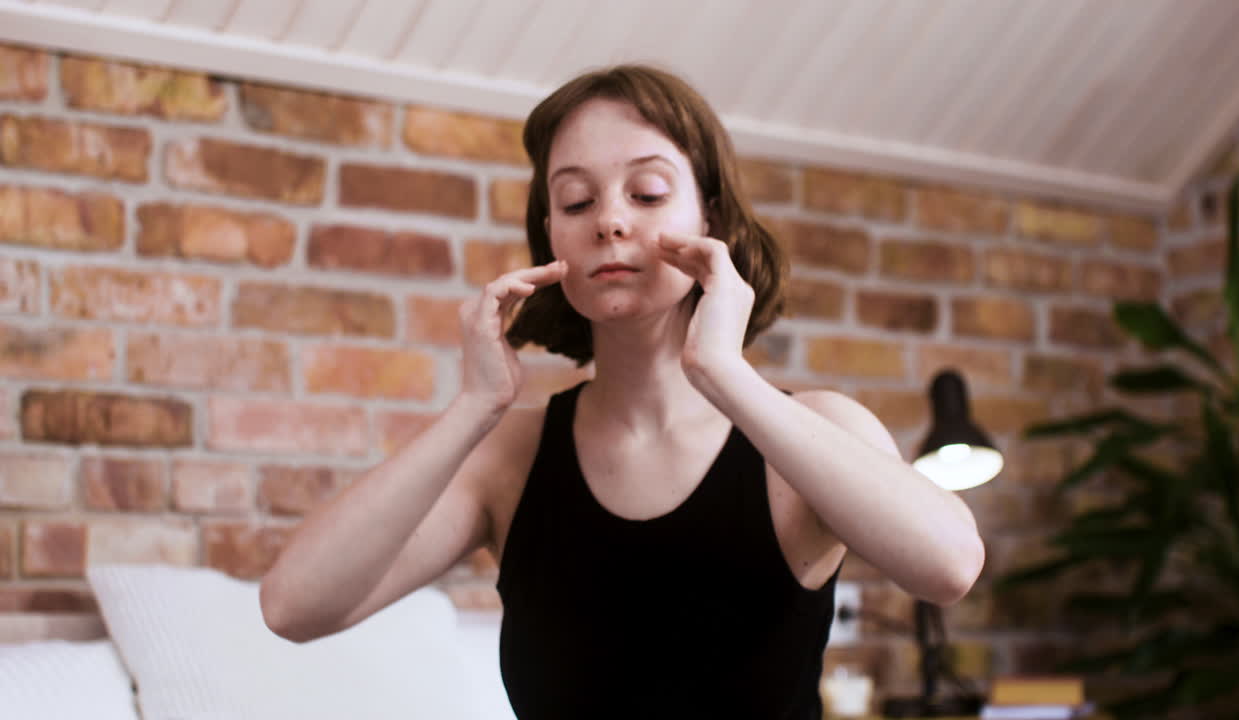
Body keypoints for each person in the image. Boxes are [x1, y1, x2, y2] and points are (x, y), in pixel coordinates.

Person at [260, 64, 984, 719]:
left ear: (713, 220)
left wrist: (725, 374)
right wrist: (474, 407)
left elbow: (949, 566)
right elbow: (294, 607)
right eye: (575, 202)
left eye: (647, 192)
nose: (610, 219)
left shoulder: (813, 428)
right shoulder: (511, 455)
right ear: (552, 240)